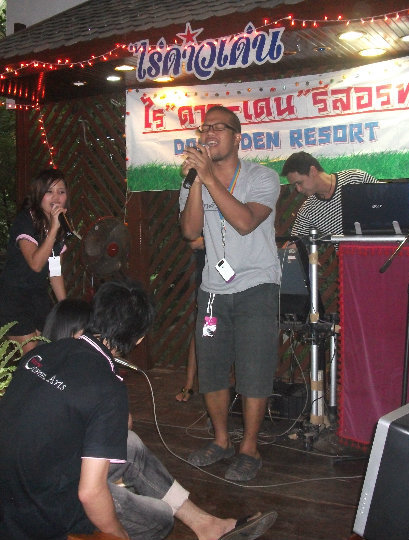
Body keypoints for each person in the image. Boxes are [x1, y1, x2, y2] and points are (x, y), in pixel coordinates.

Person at [0, 282, 277, 540]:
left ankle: (207, 526)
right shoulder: (107, 386)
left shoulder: (42, 353)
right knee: (159, 519)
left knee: (129, 445)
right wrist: (117, 535)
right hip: (40, 516)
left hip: (1, 494)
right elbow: (89, 492)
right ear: (138, 339)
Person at [179, 105, 281, 482]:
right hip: (212, 289)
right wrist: (196, 181)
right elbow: (190, 232)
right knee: (212, 368)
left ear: (238, 138)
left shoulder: (262, 177)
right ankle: (221, 441)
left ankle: (249, 448)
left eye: (218, 128)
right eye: (204, 128)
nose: (208, 134)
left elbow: (244, 222)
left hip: (257, 285)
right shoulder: (195, 180)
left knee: (254, 368)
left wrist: (209, 178)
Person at [0, 168, 70, 354]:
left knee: (52, 352)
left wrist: (66, 308)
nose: (56, 197)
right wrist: (53, 229)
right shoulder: (25, 220)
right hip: (14, 298)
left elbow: (55, 271)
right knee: (34, 359)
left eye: (61, 192)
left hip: (38, 299)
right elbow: (36, 264)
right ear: (38, 195)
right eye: (49, 191)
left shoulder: (59, 226)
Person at [281, 151, 378, 237]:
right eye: (295, 186)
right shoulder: (308, 209)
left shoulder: (356, 179)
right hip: (347, 252)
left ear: (313, 171)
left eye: (299, 183)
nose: (298, 189)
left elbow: (384, 203)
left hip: (383, 246)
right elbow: (295, 243)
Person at [176, 235, 205, 403]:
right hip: (208, 284)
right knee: (200, 331)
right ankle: (189, 385)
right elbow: (194, 242)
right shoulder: (206, 220)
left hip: (236, 283)